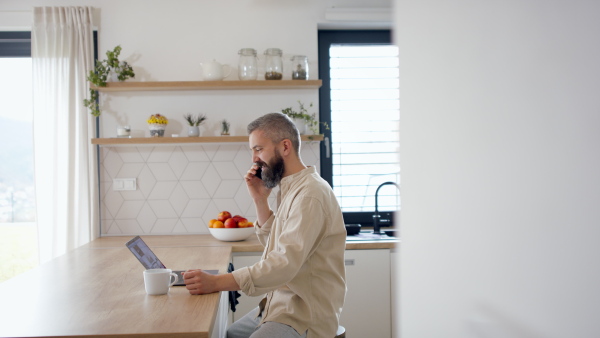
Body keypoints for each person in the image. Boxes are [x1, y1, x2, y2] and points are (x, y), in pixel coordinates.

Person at [183, 112, 346, 338]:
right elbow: (277, 244)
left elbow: (283, 264)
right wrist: (260, 200)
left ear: (285, 147)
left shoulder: (310, 195)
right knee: (231, 334)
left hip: (304, 315)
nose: (254, 159)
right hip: (279, 304)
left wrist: (217, 283)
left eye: (258, 149)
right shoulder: (290, 188)